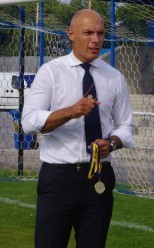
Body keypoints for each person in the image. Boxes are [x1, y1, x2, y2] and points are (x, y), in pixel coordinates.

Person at [21, 9, 135, 248]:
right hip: (59, 177)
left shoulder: (114, 77)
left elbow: (126, 126)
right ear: (71, 34)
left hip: (99, 176)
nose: (96, 39)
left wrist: (112, 143)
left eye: (100, 33)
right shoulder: (51, 72)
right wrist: (70, 111)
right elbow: (28, 122)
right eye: (88, 33)